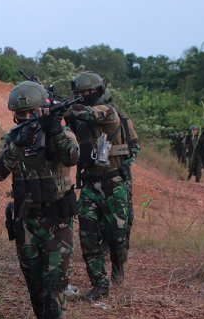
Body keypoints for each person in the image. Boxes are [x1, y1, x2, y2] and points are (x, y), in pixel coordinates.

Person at [0, 81, 80, 319]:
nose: (27, 118)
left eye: (32, 113)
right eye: (21, 115)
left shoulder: (60, 132)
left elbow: (72, 157)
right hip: (27, 222)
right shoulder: (12, 139)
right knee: (35, 286)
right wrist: (19, 143)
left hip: (57, 219)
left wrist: (54, 131)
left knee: (54, 282)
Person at [65, 71, 140, 300]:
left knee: (117, 236)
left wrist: (64, 107)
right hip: (89, 184)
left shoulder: (108, 111)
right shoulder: (79, 120)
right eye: (79, 94)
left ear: (97, 92)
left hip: (114, 183)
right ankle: (100, 283)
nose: (82, 97)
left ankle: (118, 266)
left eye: (86, 93)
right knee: (87, 237)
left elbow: (87, 112)